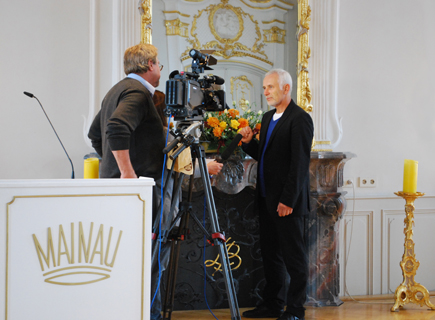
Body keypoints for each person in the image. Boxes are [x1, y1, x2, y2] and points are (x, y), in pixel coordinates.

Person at [239, 69, 313, 320]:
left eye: (270, 87)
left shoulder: (300, 118)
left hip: (286, 203)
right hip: (266, 200)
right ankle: (272, 304)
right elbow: (267, 157)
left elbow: (299, 164)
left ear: (286, 88)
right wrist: (250, 144)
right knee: (271, 257)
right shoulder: (269, 117)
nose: (266, 92)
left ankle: (295, 310)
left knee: (294, 260)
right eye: (264, 88)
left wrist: (287, 200)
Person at [150, 90, 223, 320]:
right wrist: (206, 167)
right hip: (164, 207)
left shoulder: (156, 133)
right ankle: (153, 313)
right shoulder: (163, 134)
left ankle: (155, 311)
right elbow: (179, 165)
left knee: (157, 262)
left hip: (164, 204)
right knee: (157, 264)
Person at [88, 43, 165, 180]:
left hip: (119, 183)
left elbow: (95, 134)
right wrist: (126, 171)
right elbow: (116, 127)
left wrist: (114, 163)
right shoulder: (137, 92)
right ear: (150, 65)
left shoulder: (117, 89)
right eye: (159, 64)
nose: (160, 69)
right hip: (135, 185)